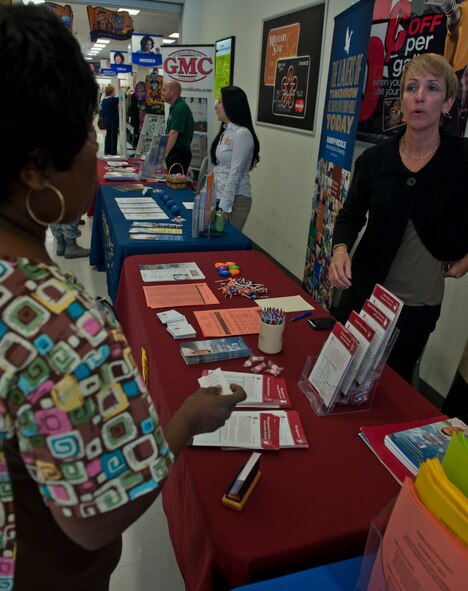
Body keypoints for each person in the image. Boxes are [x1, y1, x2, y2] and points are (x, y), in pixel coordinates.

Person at [0, 6, 246, 590]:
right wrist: (185, 420)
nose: (95, 152)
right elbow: (95, 518)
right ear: (37, 168)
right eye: (86, 134)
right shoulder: (55, 321)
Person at [328, 53, 468, 384]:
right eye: (411, 87)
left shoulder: (462, 159)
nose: (419, 96)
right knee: (344, 379)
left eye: (432, 88)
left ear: (447, 102)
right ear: (402, 100)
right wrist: (339, 250)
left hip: (418, 306)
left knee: (393, 388)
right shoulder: (375, 159)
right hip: (365, 296)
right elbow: (350, 215)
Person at [210, 85, 260, 232]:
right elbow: (220, 167)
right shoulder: (227, 131)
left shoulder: (242, 134)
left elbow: (235, 172)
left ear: (231, 105)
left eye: (219, 102)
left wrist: (224, 207)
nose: (216, 106)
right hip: (221, 196)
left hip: (236, 200)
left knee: (226, 244)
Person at [162, 80, 194, 174]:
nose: (162, 93)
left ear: (172, 92)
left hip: (179, 154)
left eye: (164, 90)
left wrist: (163, 155)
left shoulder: (180, 108)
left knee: (175, 185)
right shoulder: (175, 107)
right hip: (176, 153)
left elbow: (174, 133)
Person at [100, 84, 119, 155]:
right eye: (114, 91)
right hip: (113, 120)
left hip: (107, 120)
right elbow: (123, 97)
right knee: (114, 136)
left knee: (108, 135)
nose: (115, 92)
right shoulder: (113, 100)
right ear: (112, 92)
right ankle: (113, 152)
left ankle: (107, 151)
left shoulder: (104, 100)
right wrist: (129, 90)